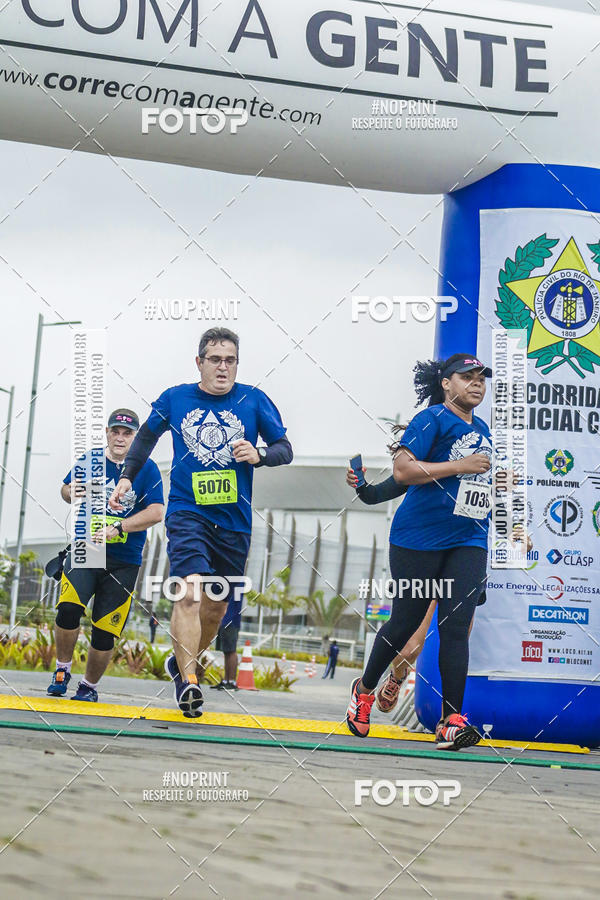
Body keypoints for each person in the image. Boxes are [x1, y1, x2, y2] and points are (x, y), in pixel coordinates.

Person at [109, 328, 293, 718]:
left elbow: (285, 449)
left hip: (234, 522)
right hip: (187, 511)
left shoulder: (254, 400)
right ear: (200, 362)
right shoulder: (176, 398)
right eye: (215, 359)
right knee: (189, 593)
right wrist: (126, 475)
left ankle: (184, 661)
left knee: (215, 609)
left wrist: (259, 454)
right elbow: (145, 438)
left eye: (230, 360)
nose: (223, 366)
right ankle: (189, 681)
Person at [346, 354, 500, 750]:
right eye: (467, 377)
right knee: (404, 625)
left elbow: (473, 484)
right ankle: (363, 690)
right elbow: (404, 473)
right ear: (447, 384)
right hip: (418, 539)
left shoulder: (482, 428)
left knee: (455, 628)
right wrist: (461, 464)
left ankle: (451, 720)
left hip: (469, 538)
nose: (476, 384)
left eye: (481, 378)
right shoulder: (430, 419)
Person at [47, 409, 164, 702]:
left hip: (125, 559)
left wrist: (119, 526)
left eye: (128, 433)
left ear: (136, 438)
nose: (121, 437)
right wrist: (70, 490)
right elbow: (64, 489)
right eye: (116, 431)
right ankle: (62, 670)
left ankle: (89, 686)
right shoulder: (91, 459)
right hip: (87, 549)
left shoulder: (146, 469)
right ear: (108, 433)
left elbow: (157, 512)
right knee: (68, 609)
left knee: (104, 632)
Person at [209, 601, 241, 691]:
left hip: (231, 621)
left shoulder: (235, 587)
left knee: (231, 651)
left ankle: (231, 682)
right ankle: (226, 681)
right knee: (227, 651)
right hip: (226, 620)